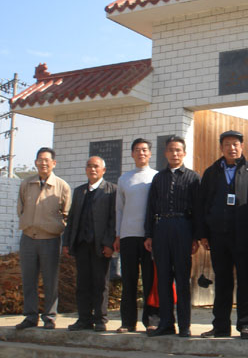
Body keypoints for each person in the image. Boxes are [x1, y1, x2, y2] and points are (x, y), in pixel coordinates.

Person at [198, 130, 248, 339]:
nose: (232, 148)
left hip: (246, 237)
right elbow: (202, 205)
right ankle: (220, 326)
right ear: (221, 147)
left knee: (247, 282)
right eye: (227, 144)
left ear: (242, 146)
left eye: (235, 144)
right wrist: (203, 234)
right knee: (222, 281)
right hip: (219, 236)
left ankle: (246, 325)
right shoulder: (211, 173)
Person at [144, 136, 200, 338]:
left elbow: (198, 210)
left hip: (183, 227)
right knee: (163, 278)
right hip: (161, 228)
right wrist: (149, 234)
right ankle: (166, 323)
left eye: (178, 150)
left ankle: (184, 325)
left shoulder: (193, 178)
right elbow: (150, 207)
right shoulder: (158, 178)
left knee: (182, 279)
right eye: (171, 150)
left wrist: (196, 237)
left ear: (184, 153)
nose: (174, 154)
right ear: (165, 153)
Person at [16, 147, 71, 330]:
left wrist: (55, 227)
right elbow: (20, 208)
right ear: (35, 162)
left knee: (50, 280)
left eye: (47, 160)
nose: (43, 163)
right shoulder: (26, 183)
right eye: (40, 160)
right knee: (29, 279)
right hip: (28, 238)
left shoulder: (62, 186)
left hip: (50, 239)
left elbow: (66, 213)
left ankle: (50, 316)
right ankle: (30, 316)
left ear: (54, 163)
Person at [62, 156, 116, 332]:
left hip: (100, 245)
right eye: (89, 166)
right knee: (82, 283)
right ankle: (84, 319)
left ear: (103, 170)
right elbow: (71, 219)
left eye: (96, 166)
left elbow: (113, 219)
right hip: (82, 244)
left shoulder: (111, 190)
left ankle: (100, 319)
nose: (92, 169)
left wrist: (109, 243)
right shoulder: (79, 191)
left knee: (100, 283)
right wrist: (67, 242)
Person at [114, 138, 160, 333]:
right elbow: (119, 209)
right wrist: (118, 235)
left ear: (150, 153)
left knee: (150, 280)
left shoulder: (156, 177)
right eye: (137, 150)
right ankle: (127, 322)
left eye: (144, 150)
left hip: (149, 237)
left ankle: (151, 320)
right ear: (132, 154)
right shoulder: (124, 179)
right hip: (128, 236)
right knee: (129, 280)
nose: (141, 153)